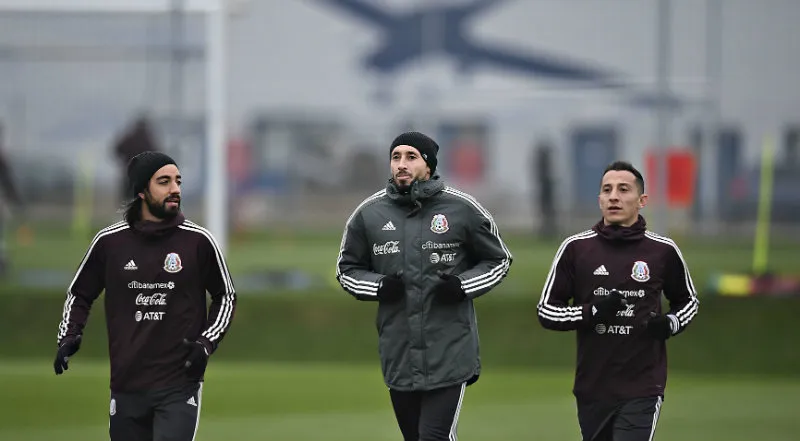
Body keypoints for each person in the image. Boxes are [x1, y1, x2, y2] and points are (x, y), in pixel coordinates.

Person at [335, 131, 513, 441]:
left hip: (450, 352)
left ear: (428, 165)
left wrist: (461, 285)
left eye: (411, 157)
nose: (401, 164)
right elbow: (346, 270)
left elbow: (498, 260)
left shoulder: (462, 209)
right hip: (399, 354)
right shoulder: (368, 215)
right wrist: (378, 286)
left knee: (434, 437)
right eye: (396, 157)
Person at [54, 151, 237, 441]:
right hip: (126, 385)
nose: (175, 189)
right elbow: (79, 294)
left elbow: (226, 296)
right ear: (141, 190)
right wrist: (69, 334)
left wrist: (205, 344)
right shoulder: (109, 243)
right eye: (163, 181)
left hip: (179, 385)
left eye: (178, 181)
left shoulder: (199, 241)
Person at [537, 160, 699, 441]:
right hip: (593, 388)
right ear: (599, 199)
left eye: (624, 189)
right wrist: (593, 312)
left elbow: (689, 301)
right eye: (607, 190)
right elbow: (547, 312)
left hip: (643, 387)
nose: (614, 196)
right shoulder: (575, 248)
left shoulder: (663, 250)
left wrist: (670, 323)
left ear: (642, 200)